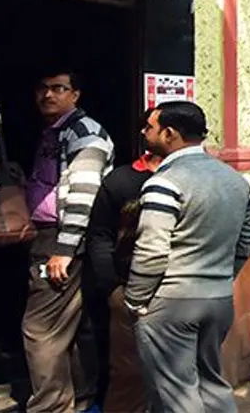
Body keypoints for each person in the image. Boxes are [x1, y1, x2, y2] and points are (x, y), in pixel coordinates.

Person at [125, 101, 250, 413]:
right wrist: (224, 278)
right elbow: (245, 241)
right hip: (219, 298)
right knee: (212, 385)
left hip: (171, 300)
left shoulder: (163, 182)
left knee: (177, 396)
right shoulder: (236, 181)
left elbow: (152, 250)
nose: (145, 133)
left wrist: (136, 300)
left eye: (150, 128)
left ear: (169, 134)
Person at [22, 68, 113, 413]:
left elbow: (84, 194)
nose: (48, 95)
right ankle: (81, 400)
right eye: (43, 88)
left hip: (61, 240)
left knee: (40, 328)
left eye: (59, 88)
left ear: (75, 95)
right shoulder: (55, 132)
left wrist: (64, 249)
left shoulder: (84, 133)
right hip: (52, 237)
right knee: (73, 327)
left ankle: (50, 407)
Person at [86, 109, 159, 413]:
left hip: (178, 292)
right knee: (127, 371)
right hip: (128, 291)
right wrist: (112, 288)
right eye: (151, 126)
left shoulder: (194, 178)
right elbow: (100, 235)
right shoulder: (121, 180)